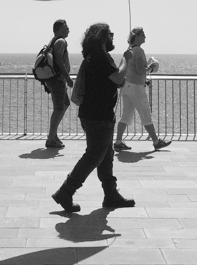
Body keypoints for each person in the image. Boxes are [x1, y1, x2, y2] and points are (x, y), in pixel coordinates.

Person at [52, 23, 135, 212]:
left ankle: (110, 194)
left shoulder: (93, 56)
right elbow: (118, 78)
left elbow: (115, 81)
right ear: (102, 37)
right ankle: (65, 191)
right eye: (110, 35)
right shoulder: (100, 56)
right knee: (94, 156)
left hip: (95, 113)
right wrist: (126, 59)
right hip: (98, 115)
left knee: (105, 156)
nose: (113, 38)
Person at [114, 27, 171, 151]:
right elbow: (140, 70)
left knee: (126, 115)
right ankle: (156, 141)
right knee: (145, 113)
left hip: (126, 86)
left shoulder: (128, 50)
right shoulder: (139, 51)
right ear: (137, 36)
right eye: (143, 35)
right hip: (136, 87)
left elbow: (122, 67)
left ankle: (118, 141)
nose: (145, 37)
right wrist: (151, 67)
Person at [45, 20, 74, 149]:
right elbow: (58, 59)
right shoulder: (61, 41)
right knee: (59, 108)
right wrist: (67, 77)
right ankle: (51, 138)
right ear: (60, 29)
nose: (69, 30)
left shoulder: (54, 40)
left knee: (64, 104)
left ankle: (53, 135)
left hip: (54, 79)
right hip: (57, 80)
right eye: (66, 27)